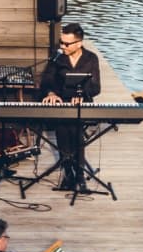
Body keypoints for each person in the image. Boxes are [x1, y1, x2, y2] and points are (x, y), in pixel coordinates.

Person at [38, 22, 104, 191]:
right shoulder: (57, 58)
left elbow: (96, 87)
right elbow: (47, 81)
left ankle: (80, 175)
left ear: (79, 43)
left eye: (67, 44)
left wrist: (81, 95)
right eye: (61, 42)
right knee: (62, 130)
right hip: (62, 103)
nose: (63, 46)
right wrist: (51, 94)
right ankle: (68, 174)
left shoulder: (91, 59)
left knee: (76, 130)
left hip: (83, 104)